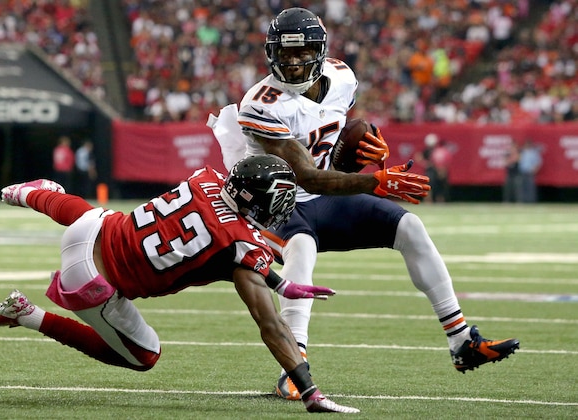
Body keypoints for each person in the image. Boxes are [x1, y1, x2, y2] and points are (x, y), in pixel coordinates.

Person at [208, 7, 519, 401]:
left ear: (320, 51)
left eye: (301, 52)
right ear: (271, 53)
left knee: (410, 228)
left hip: (323, 199)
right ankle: (294, 367)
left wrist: (367, 147)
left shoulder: (341, 77)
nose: (292, 61)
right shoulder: (263, 103)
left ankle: (462, 342)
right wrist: (374, 180)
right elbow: (305, 175)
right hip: (274, 206)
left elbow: (333, 147)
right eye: (284, 54)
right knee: (301, 248)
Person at [0, 155, 360, 414]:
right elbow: (271, 326)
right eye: (278, 201)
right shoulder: (240, 243)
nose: (282, 210)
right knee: (144, 357)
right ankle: (27, 315)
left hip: (92, 227)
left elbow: (218, 241)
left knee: (103, 218)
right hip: (91, 279)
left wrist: (281, 285)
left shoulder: (206, 178)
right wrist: (308, 389)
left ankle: (31, 193)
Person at [518, 138, 542, 203]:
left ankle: (531, 201)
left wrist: (534, 170)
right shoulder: (522, 152)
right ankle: (522, 201)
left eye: (528, 144)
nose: (527, 145)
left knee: (530, 187)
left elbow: (538, 162)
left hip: (530, 171)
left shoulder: (533, 153)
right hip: (522, 172)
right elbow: (518, 161)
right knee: (522, 187)